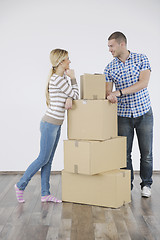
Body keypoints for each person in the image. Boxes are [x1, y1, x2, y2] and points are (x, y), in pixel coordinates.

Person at [15, 49, 79, 203]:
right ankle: (20, 185)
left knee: (48, 160)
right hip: (49, 124)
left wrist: (69, 96)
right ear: (61, 62)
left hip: (56, 124)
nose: (70, 61)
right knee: (43, 158)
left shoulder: (61, 78)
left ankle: (45, 194)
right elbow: (76, 95)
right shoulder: (58, 79)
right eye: (67, 59)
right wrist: (73, 79)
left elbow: (72, 96)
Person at [104, 32, 153, 197]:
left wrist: (118, 93)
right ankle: (127, 185)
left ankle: (146, 184)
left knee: (146, 153)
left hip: (144, 112)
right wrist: (110, 95)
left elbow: (143, 83)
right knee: (124, 153)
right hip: (123, 115)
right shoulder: (109, 68)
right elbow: (107, 92)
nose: (109, 49)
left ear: (121, 44)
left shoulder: (141, 59)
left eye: (111, 46)